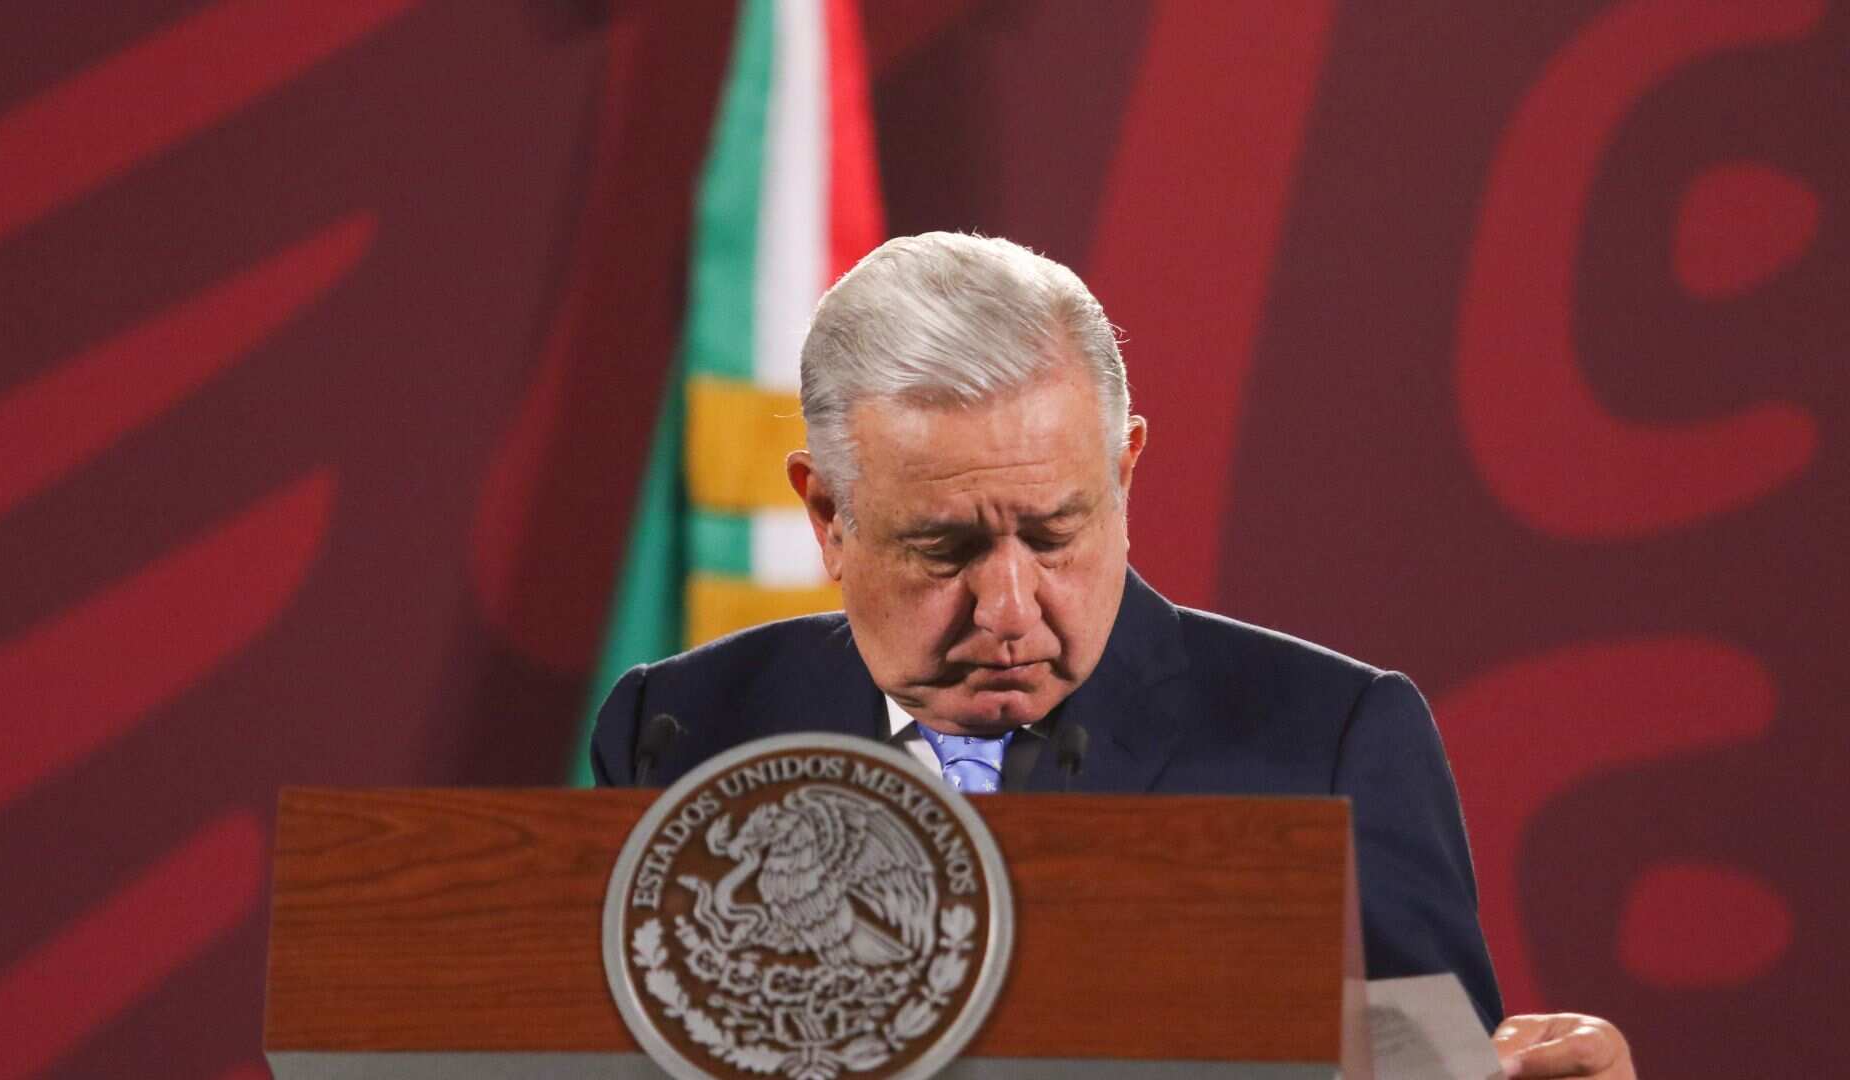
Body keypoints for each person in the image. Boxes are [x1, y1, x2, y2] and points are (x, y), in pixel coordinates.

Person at [591, 232, 1635, 1079]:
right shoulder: (684, 731)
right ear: (827, 513)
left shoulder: (1330, 746)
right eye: (944, 548)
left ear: (1125, 470)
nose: (1007, 607)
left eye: (1053, 536)